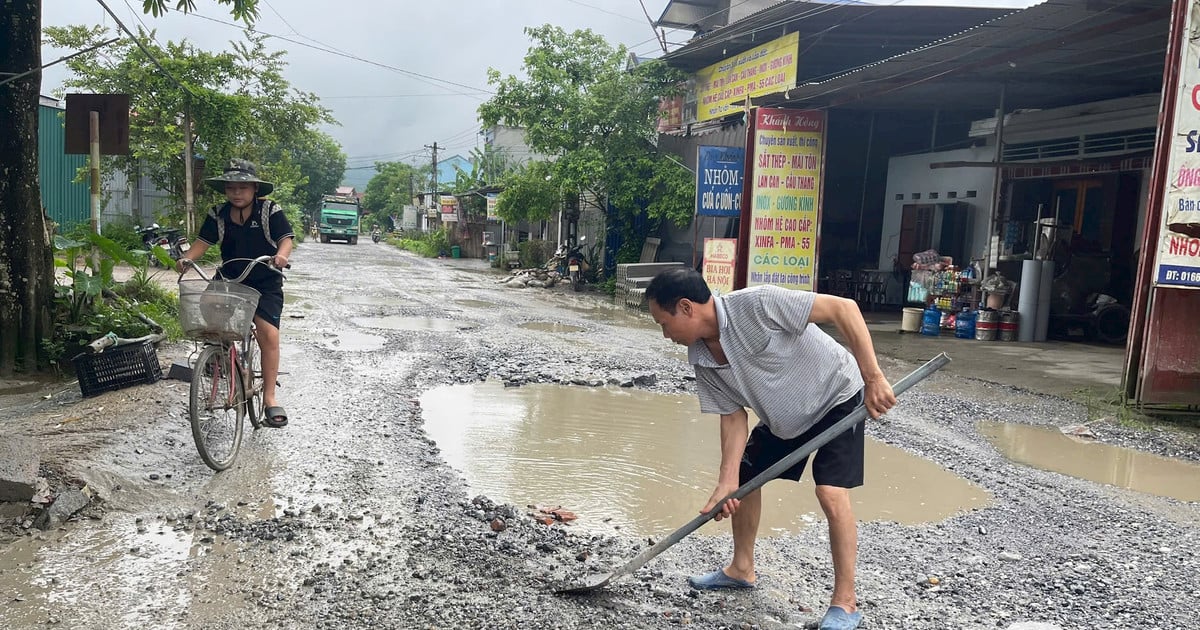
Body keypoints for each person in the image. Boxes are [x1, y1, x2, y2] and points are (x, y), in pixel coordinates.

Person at [644, 268, 897, 630]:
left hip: (838, 397)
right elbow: (733, 417)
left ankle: (846, 603)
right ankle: (741, 569)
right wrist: (726, 481)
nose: (665, 334)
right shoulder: (701, 357)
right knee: (745, 481)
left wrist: (874, 378)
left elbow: (845, 309)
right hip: (785, 418)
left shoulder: (758, 305)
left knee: (829, 491)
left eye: (663, 323)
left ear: (686, 308)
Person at [176, 159, 295, 428]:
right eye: (231, 188)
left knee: (269, 333)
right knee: (207, 307)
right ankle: (229, 359)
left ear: (254, 188)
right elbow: (202, 244)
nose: (236, 193)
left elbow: (286, 239)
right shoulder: (217, 213)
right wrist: (186, 259)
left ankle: (270, 398)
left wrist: (281, 257)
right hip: (230, 278)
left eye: (242, 187)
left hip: (264, 280)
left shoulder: (269, 211)